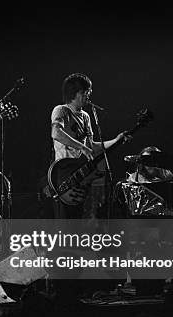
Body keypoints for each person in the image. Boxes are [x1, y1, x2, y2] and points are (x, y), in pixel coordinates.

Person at [50, 73, 131, 218]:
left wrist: (116, 140)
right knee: (64, 222)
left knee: (78, 222)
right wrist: (81, 147)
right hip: (65, 174)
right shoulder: (61, 110)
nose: (89, 94)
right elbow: (56, 133)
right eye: (86, 91)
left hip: (82, 177)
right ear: (75, 92)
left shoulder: (86, 116)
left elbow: (91, 146)